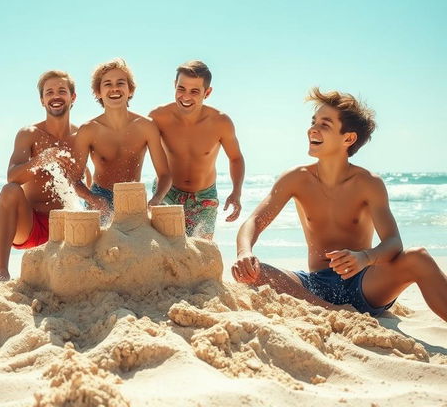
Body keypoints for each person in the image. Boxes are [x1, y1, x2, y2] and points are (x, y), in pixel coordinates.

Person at [233, 88, 447, 320]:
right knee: (254, 272)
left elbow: (393, 243)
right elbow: (254, 220)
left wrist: (365, 257)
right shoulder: (296, 179)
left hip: (364, 283)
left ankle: (337, 310)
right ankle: (334, 312)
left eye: (325, 124)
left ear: (348, 138)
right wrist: (244, 252)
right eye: (313, 121)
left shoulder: (368, 183)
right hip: (314, 286)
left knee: (419, 257)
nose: (312, 129)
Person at [0, 70, 92, 281]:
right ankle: (1, 271)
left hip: (68, 227)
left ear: (72, 97)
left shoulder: (82, 136)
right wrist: (42, 159)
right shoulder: (28, 134)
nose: (55, 96)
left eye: (61, 91)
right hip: (31, 226)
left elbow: (87, 180)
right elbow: (13, 177)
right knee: (9, 191)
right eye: (49, 92)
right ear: (42, 100)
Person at [149, 60, 245, 239]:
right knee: (165, 251)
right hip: (167, 193)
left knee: (202, 255)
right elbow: (135, 144)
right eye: (181, 89)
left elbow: (236, 158)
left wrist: (236, 192)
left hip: (204, 198)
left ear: (207, 92)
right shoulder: (158, 117)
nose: (186, 97)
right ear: (174, 85)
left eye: (194, 91)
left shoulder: (221, 122)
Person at [72, 58, 172, 212]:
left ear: (130, 89)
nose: (115, 88)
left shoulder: (146, 126)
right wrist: (93, 199)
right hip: (100, 196)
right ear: (98, 92)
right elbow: (75, 180)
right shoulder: (88, 130)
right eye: (107, 84)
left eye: (120, 83)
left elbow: (165, 175)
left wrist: (156, 199)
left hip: (134, 196)